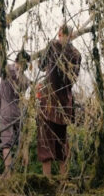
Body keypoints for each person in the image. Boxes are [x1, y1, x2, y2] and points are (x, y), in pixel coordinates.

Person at [37, 25, 81, 178]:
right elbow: (73, 79)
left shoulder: (53, 46)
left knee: (45, 140)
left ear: (60, 33)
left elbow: (41, 66)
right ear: (72, 36)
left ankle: (47, 179)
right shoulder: (76, 54)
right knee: (62, 142)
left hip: (49, 103)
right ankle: (63, 179)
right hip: (65, 104)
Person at [0, 48, 31, 176]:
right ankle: (22, 171)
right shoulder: (25, 80)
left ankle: (8, 173)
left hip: (6, 110)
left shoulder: (7, 70)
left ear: (16, 59)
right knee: (20, 141)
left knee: (6, 142)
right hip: (19, 112)